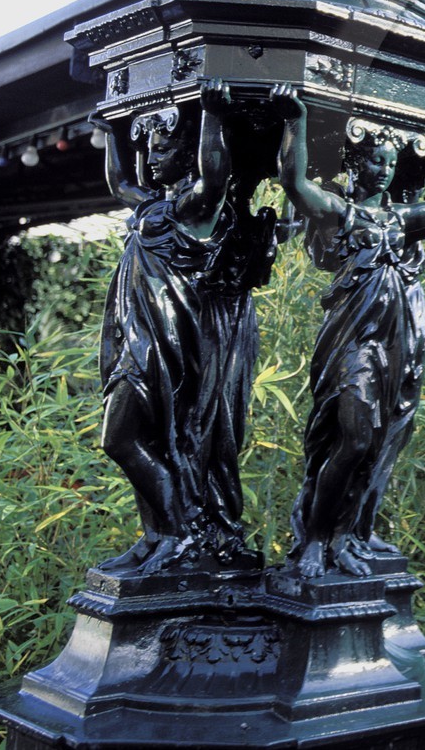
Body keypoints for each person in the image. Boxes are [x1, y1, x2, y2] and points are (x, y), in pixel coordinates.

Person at [271, 84, 425, 577]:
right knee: (352, 436)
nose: (386, 168)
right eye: (376, 160)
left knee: (382, 438)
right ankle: (316, 536)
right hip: (355, 342)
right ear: (356, 164)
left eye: (391, 161)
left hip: (401, 341)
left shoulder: (398, 221)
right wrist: (296, 120)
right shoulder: (339, 213)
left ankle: (351, 534)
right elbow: (294, 183)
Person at [95, 79, 258, 574]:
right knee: (148, 438)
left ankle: (183, 531)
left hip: (168, 348)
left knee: (120, 438)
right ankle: (160, 535)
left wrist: (210, 116)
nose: (152, 159)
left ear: (186, 154)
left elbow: (215, 175)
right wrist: (112, 133)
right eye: (149, 149)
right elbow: (121, 181)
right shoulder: (153, 207)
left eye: (162, 148)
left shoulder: (197, 209)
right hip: (138, 339)